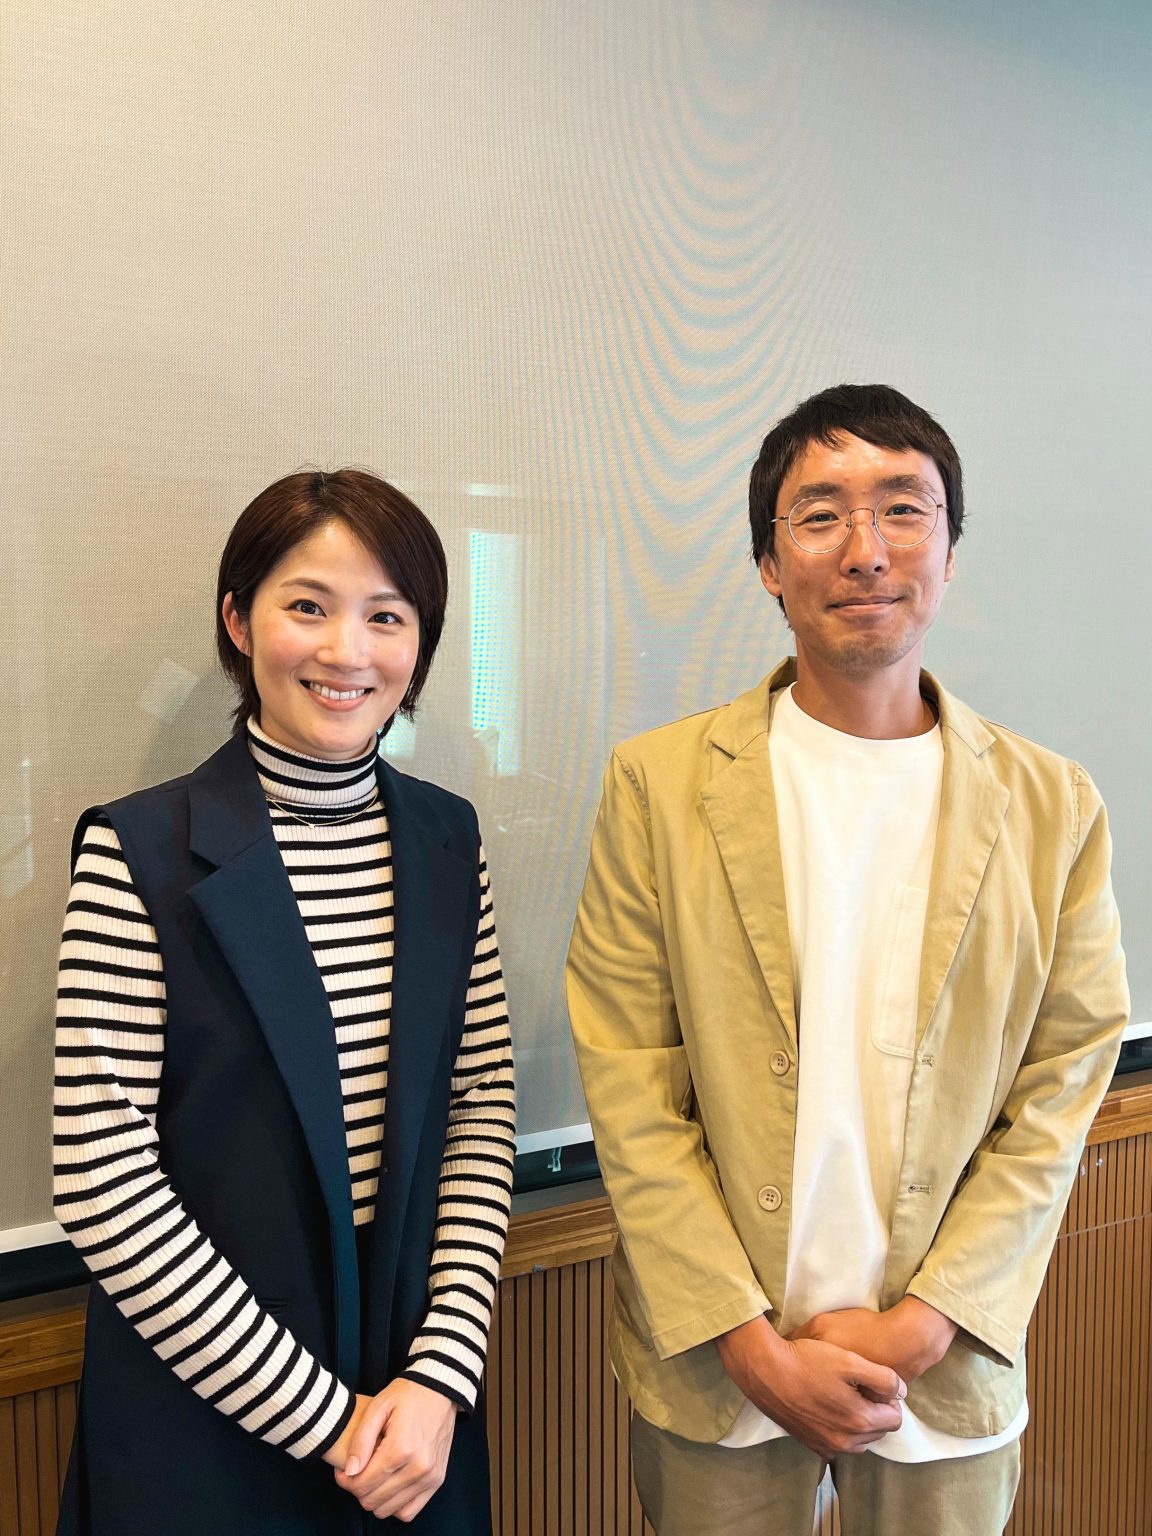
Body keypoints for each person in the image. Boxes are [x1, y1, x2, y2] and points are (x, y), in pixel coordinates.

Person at [566, 385, 1128, 1536]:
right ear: (769, 565)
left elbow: (1063, 1083)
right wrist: (749, 1344)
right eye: (820, 516)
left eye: (904, 510)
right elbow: (629, 1079)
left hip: (944, 1367)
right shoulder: (659, 786)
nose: (866, 550)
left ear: (951, 552)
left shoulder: (1053, 805)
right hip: (722, 1367)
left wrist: (925, 1322)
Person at [53, 469, 515, 1534]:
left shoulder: (449, 842)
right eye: (308, 605)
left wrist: (441, 1375)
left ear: (421, 644)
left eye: (387, 617)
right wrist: (331, 1424)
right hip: (204, 1410)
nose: (348, 651)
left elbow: (481, 1103)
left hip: (414, 1405)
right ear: (238, 619)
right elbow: (101, 1180)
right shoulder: (138, 852)